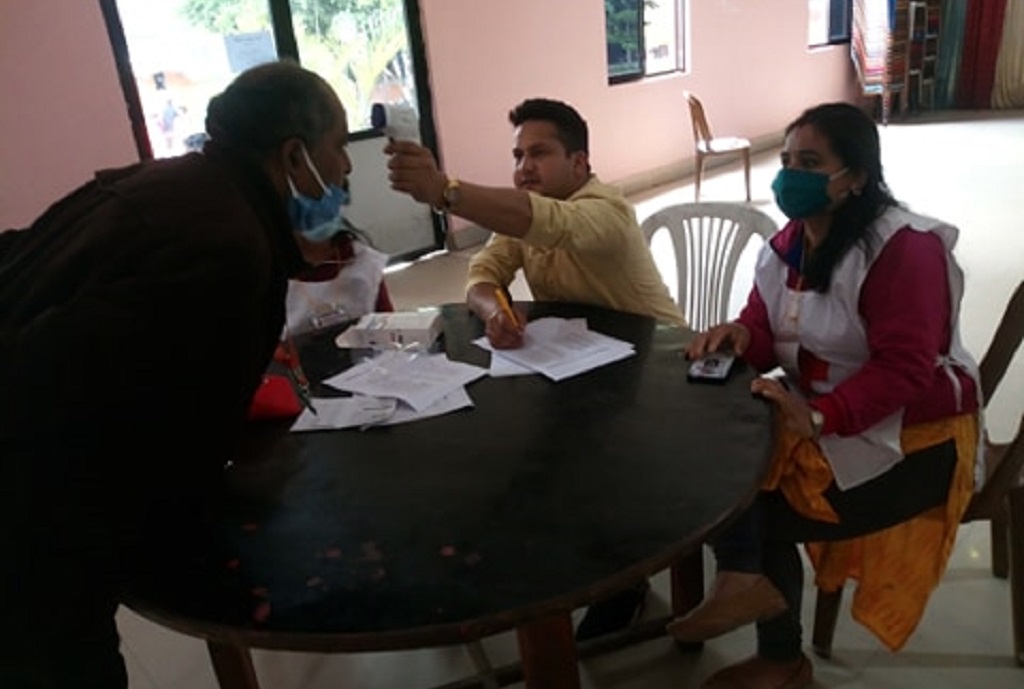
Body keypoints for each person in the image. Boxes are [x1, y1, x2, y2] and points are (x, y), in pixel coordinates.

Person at [0, 60, 355, 688]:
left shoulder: (167, 183)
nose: (347, 168)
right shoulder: (227, 247)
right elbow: (65, 393)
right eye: (340, 146)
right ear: (295, 156)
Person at [669, 102, 980, 689]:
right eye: (787, 161)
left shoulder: (903, 250)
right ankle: (745, 588)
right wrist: (742, 336)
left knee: (755, 508)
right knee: (719, 464)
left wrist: (819, 415)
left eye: (810, 163)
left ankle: (780, 659)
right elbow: (770, 325)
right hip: (828, 413)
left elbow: (905, 369)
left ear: (855, 176)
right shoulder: (789, 244)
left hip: (916, 436)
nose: (791, 176)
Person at [384, 97, 684, 641]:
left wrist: (447, 191)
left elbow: (549, 224)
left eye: (539, 153)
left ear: (580, 162)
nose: (524, 167)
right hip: (582, 365)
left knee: (583, 458)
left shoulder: (606, 211)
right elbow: (483, 271)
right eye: (518, 155)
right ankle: (553, 556)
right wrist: (494, 310)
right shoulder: (528, 210)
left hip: (655, 371)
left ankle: (624, 583)